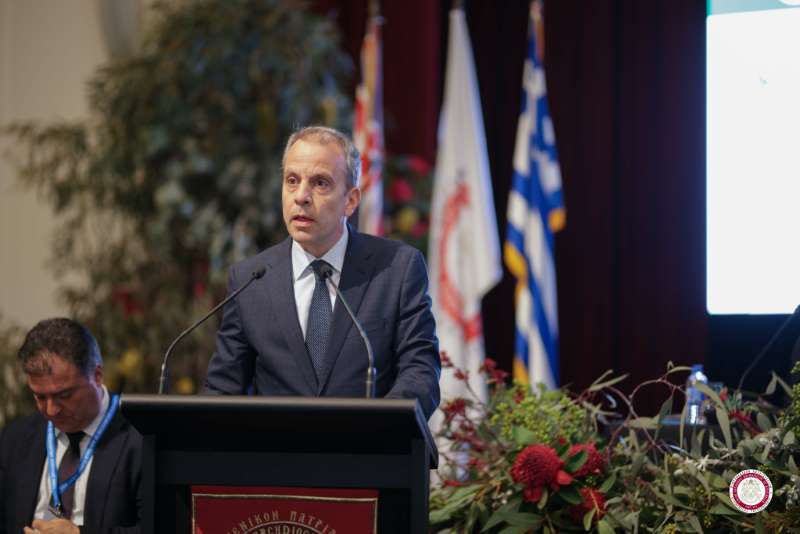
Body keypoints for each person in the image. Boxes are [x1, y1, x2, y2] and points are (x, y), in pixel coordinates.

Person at [204, 126, 441, 419]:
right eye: (292, 181)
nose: (301, 196)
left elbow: (420, 372)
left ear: (350, 201)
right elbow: (222, 390)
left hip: (369, 445)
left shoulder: (397, 269)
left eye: (320, 183)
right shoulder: (250, 280)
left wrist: (379, 428)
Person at [0, 318, 141, 534]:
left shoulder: (140, 438)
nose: (51, 410)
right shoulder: (15, 438)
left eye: (64, 395)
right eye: (40, 397)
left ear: (97, 376)